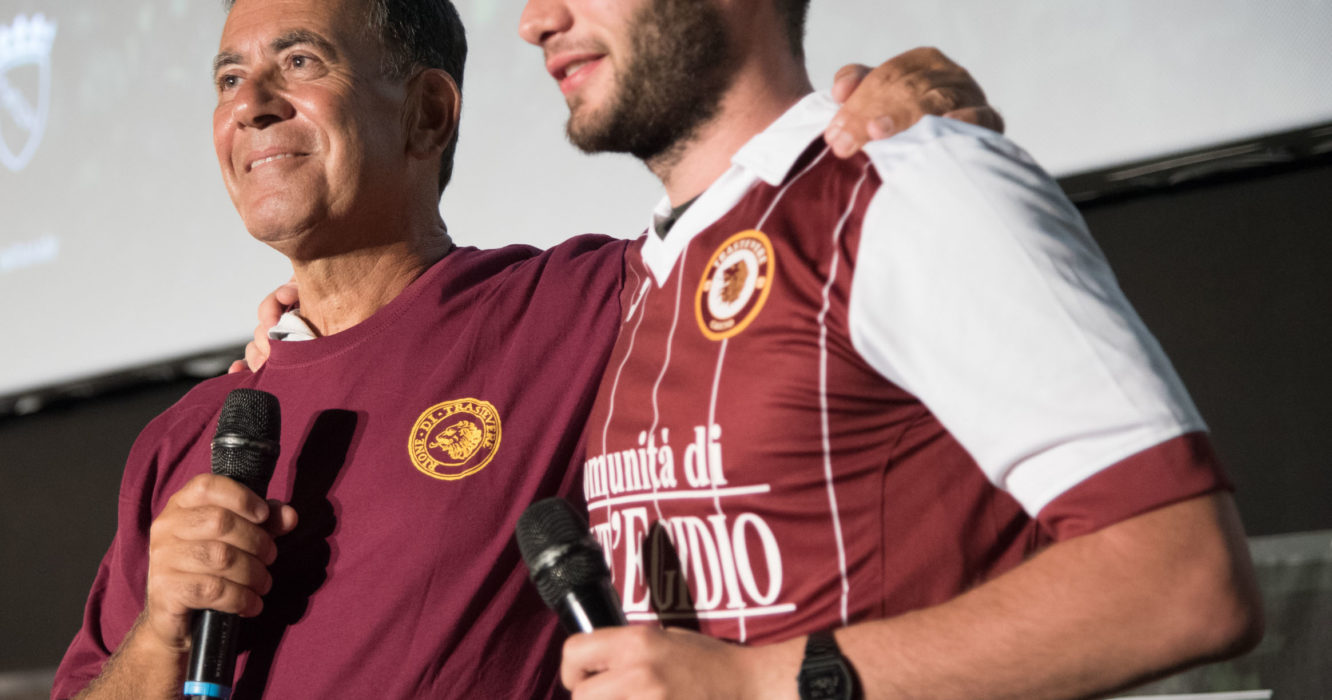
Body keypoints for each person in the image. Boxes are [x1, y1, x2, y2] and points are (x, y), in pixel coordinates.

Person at [52, 0, 997, 698]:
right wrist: (158, 634)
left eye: (299, 63)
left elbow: (778, 241)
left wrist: (908, 100)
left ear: (428, 114)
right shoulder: (184, 442)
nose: (250, 105)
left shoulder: (586, 305)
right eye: (227, 79)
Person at [502, 0, 1265, 698]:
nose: (537, 20)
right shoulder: (634, 278)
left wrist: (759, 683)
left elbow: (1185, 581)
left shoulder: (908, 181)